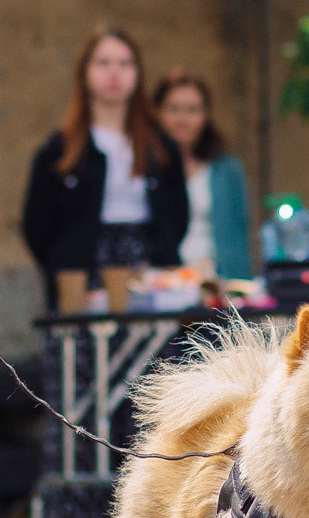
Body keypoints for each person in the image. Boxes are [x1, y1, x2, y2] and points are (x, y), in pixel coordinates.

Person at [21, 29, 188, 314]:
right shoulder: (58, 151)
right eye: (103, 63)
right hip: (83, 277)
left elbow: (178, 216)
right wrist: (65, 265)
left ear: (137, 74)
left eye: (125, 64)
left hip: (148, 272)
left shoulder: (161, 148)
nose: (114, 72)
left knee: (154, 356)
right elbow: (36, 225)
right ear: (84, 73)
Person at [153, 69, 254, 280]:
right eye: (174, 109)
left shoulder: (227, 169)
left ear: (206, 115)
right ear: (158, 112)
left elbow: (239, 235)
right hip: (161, 282)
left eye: (192, 110)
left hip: (216, 284)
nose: (183, 119)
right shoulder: (145, 168)